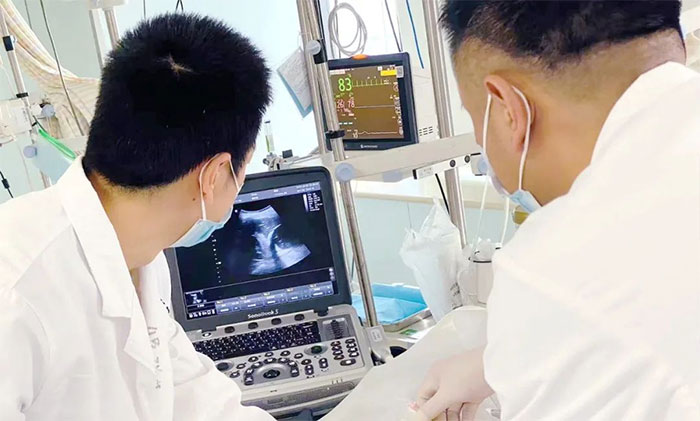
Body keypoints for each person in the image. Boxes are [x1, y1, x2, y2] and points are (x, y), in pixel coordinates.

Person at [413, 1, 700, 420]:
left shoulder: (556, 267)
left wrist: (545, 333)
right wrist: (502, 362)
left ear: (508, 109)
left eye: (477, 124)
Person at [0, 14, 276, 420]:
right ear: (215, 175)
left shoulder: (142, 255)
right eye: (244, 167)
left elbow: (192, 396)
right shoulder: (17, 291)